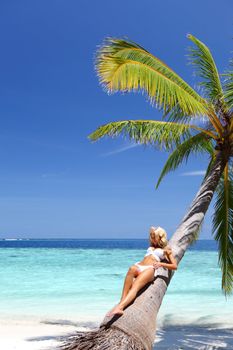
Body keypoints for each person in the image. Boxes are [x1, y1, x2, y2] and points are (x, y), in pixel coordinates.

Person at [107, 226, 177, 317]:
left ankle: (120, 308)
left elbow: (174, 266)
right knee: (131, 269)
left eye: (153, 236)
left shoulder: (166, 250)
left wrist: (161, 264)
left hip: (149, 269)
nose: (152, 238)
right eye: (151, 236)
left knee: (135, 286)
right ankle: (121, 302)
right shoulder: (151, 247)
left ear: (160, 237)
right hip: (139, 266)